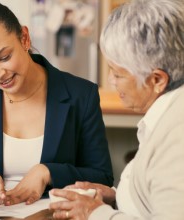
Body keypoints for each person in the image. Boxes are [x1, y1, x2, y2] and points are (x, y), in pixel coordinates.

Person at [0, 1, 113, 206]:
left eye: (4, 57)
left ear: (24, 38)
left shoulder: (81, 94)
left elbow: (102, 177)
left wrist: (48, 172)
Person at [49, 0, 184, 219]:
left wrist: (95, 213)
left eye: (118, 73)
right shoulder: (168, 112)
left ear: (157, 79)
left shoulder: (178, 136)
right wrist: (115, 196)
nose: (111, 81)